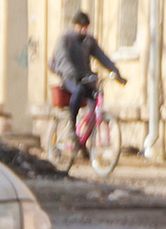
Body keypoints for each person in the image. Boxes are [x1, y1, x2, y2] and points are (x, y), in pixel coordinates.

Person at [50, 12, 125, 150]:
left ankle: (84, 142)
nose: (84, 30)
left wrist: (116, 72)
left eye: (86, 27)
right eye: (81, 27)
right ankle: (72, 129)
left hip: (85, 78)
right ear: (74, 26)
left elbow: (102, 57)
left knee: (95, 103)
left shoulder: (89, 41)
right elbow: (63, 60)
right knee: (78, 91)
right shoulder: (65, 40)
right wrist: (73, 73)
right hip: (69, 78)